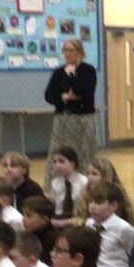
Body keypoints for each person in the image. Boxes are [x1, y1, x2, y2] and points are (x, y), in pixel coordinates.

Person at [43, 37, 98, 180]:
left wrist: (72, 75)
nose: (67, 53)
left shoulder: (88, 70)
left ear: (80, 52)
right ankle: (56, 182)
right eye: (65, 50)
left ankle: (85, 182)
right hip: (63, 118)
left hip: (82, 118)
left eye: (71, 50)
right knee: (59, 152)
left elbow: (85, 92)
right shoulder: (58, 72)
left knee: (83, 152)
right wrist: (63, 97)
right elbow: (49, 95)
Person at [85, 182, 134, 267]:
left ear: (113, 206)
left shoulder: (124, 228)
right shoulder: (88, 224)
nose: (92, 206)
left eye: (98, 202)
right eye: (90, 201)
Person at [79, 157, 134, 225]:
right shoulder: (86, 193)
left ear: (106, 175)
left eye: (94, 174)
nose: (89, 178)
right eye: (87, 174)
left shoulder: (116, 194)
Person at [48, 147, 88, 227]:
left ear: (73, 163)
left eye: (61, 161)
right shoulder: (55, 183)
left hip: (77, 220)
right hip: (58, 218)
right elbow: (54, 205)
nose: (57, 165)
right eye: (55, 162)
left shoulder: (84, 182)